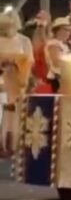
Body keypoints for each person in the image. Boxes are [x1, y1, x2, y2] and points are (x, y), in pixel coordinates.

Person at [0, 9, 34, 157]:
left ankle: (13, 145)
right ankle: (2, 144)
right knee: (3, 114)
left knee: (14, 114)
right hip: (2, 82)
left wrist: (19, 69)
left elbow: (29, 61)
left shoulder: (24, 41)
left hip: (17, 83)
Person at [44, 18, 71, 93]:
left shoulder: (64, 45)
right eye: (65, 30)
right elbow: (56, 62)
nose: (67, 33)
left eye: (68, 30)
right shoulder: (53, 44)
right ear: (57, 31)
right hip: (56, 80)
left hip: (65, 79)